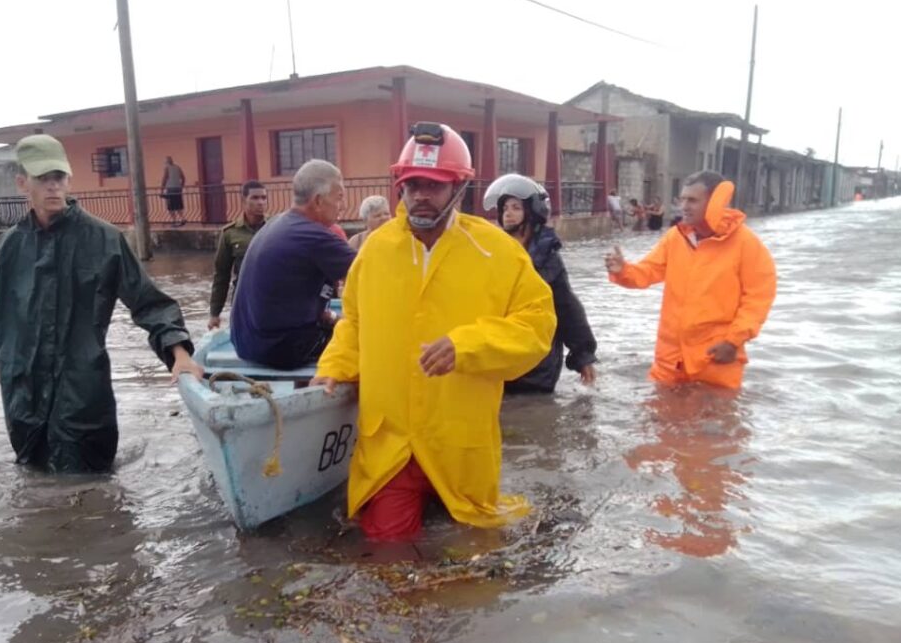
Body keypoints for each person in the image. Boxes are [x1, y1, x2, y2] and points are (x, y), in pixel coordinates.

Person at [310, 122, 555, 540]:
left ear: (459, 188)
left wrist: (467, 345)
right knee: (386, 552)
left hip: (459, 443)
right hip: (392, 446)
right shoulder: (375, 250)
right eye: (413, 183)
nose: (421, 194)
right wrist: (332, 367)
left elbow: (536, 328)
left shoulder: (497, 251)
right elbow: (353, 321)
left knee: (477, 556)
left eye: (434, 185)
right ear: (401, 186)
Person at [0, 134, 203, 473]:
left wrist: (180, 356)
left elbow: (149, 303)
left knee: (95, 491)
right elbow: (0, 327)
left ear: (68, 180)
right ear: (23, 184)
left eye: (58, 178)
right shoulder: (10, 247)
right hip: (25, 400)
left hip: (81, 398)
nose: (53, 187)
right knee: (34, 495)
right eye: (43, 179)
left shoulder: (103, 239)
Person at [604, 170, 776, 390]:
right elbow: (647, 272)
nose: (684, 206)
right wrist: (623, 270)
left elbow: (758, 299)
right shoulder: (676, 238)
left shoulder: (746, 244)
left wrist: (734, 341)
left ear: (715, 202)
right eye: (682, 199)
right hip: (669, 360)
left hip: (716, 358)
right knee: (657, 421)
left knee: (717, 421)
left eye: (692, 200)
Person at [229, 159, 356, 369]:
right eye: (339, 197)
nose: (342, 205)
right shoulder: (315, 236)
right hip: (280, 349)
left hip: (245, 342)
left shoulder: (276, 223)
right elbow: (374, 277)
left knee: (333, 324)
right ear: (318, 201)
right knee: (367, 338)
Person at [484, 173, 598, 391]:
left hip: (538, 367)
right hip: (501, 357)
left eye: (516, 207)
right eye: (505, 208)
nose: (508, 213)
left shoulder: (547, 258)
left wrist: (583, 356)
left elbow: (567, 307)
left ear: (532, 211)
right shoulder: (493, 252)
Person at [208, 180, 268, 329]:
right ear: (243, 200)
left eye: (263, 198)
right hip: (243, 299)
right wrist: (215, 313)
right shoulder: (230, 233)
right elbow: (221, 275)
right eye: (255, 198)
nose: (260, 202)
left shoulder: (276, 227)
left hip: (271, 299)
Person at [161, 156, 186, 226]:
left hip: (170, 189)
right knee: (178, 205)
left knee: (170, 206)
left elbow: (164, 179)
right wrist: (181, 186)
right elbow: (183, 178)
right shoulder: (178, 167)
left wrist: (161, 190)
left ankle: (174, 220)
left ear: (166, 162)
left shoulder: (167, 168)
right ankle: (182, 218)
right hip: (178, 189)